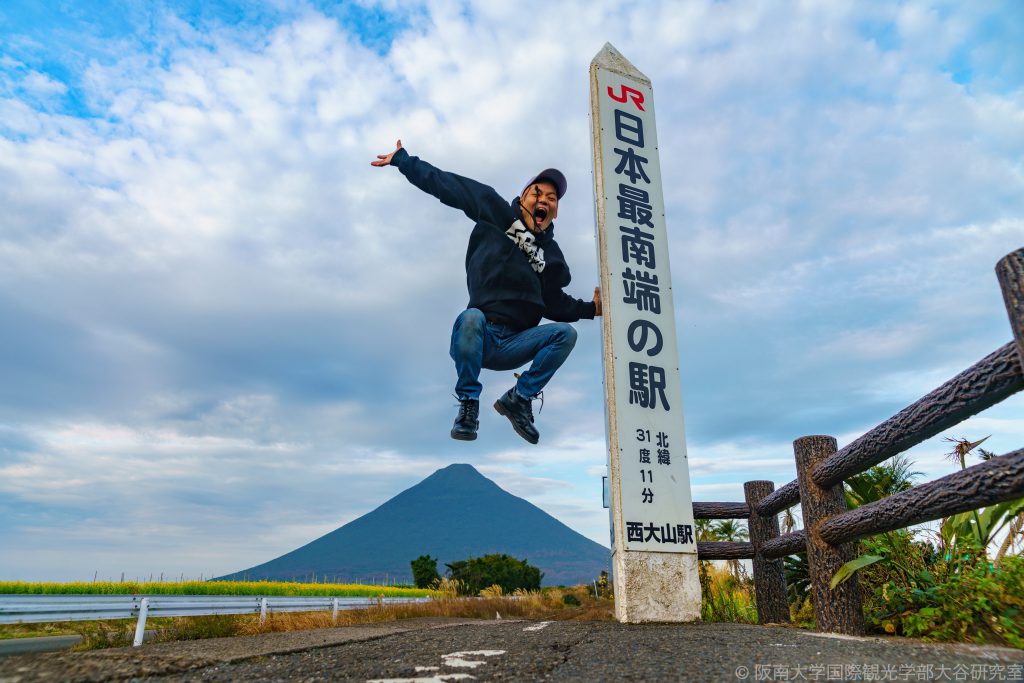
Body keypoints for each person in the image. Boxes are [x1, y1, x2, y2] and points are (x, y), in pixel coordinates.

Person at [371, 140, 601, 444]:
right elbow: (449, 186)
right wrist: (404, 161)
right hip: (478, 337)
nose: (544, 200)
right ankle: (468, 403)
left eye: (552, 198)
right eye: (537, 193)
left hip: (515, 343)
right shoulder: (495, 212)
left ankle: (519, 399)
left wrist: (590, 309)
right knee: (471, 317)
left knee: (565, 334)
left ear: (555, 211)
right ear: (523, 199)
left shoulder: (550, 256)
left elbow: (554, 303)